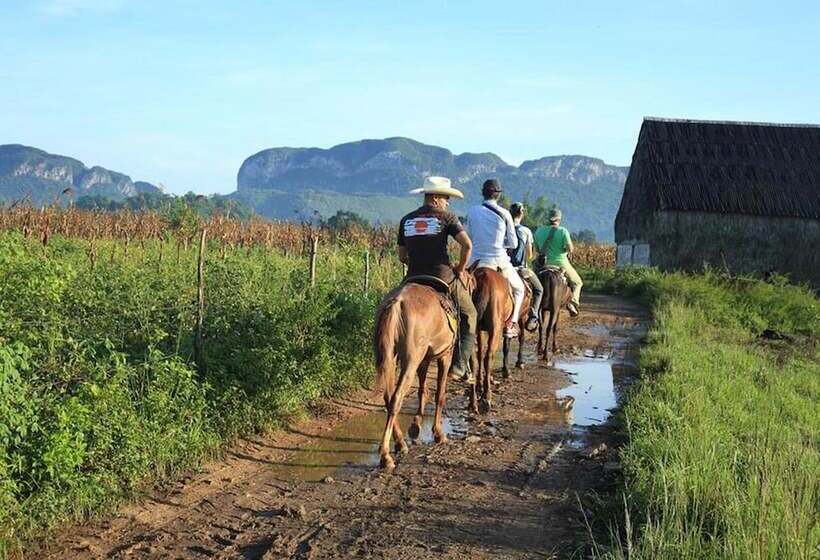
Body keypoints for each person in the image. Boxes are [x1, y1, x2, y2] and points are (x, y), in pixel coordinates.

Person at [397, 176, 477, 383]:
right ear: (434, 198)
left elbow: (402, 256)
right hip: (442, 277)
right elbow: (467, 245)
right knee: (469, 315)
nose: (447, 203)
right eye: (445, 198)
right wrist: (460, 269)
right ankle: (459, 365)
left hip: (413, 276)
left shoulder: (406, 220)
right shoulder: (447, 217)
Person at [466, 178, 526, 338]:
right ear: (498, 195)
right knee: (520, 289)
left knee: (458, 289)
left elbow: (469, 237)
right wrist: (500, 242)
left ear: (482, 193)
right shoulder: (505, 214)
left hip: (475, 261)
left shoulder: (472, 211)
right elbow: (513, 243)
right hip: (498, 260)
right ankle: (511, 323)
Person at [533, 207, 582, 316]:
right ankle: (572, 302)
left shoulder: (539, 231)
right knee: (577, 282)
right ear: (559, 219)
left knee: (531, 281)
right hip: (561, 263)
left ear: (548, 218)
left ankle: (532, 305)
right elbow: (570, 249)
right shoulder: (563, 231)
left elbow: (537, 250)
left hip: (543, 264)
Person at [509, 202, 543, 331]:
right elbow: (529, 255)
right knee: (539, 289)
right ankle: (533, 316)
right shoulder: (525, 231)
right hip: (519, 268)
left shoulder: (503, 228)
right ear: (522, 214)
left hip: (502, 266)